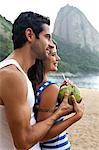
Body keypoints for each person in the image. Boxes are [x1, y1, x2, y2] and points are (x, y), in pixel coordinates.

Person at [0, 11, 76, 150]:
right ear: (30, 35)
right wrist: (60, 113)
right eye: (47, 37)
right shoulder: (12, 76)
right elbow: (23, 142)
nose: (50, 45)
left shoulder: (19, 74)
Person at [28, 40, 84, 150]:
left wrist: (62, 92)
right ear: (41, 58)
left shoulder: (33, 84)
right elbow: (42, 136)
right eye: (53, 55)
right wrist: (77, 116)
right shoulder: (50, 88)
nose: (58, 58)